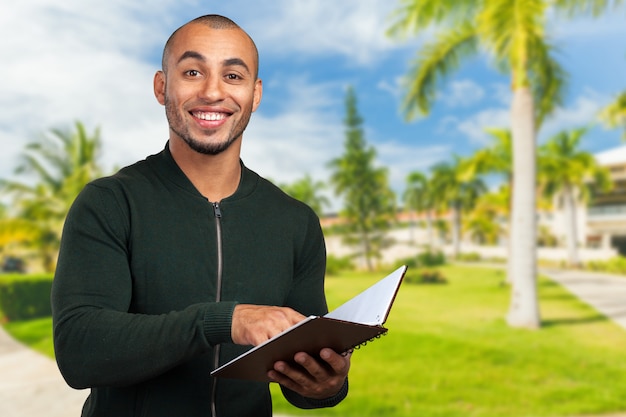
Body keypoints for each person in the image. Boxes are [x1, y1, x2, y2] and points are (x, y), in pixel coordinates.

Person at [51, 14, 350, 417]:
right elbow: (79, 351)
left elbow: (302, 377)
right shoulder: (108, 203)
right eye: (192, 71)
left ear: (255, 94)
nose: (213, 91)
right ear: (162, 87)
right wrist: (223, 321)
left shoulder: (296, 222)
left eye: (233, 76)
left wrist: (326, 385)